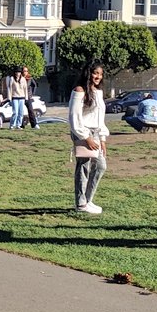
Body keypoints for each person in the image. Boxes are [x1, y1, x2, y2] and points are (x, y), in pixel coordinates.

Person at [68, 60, 109, 215]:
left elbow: (100, 118)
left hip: (96, 133)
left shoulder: (98, 92)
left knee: (100, 165)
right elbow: (74, 117)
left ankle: (87, 199)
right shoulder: (79, 90)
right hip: (83, 132)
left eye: (100, 74)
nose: (98, 76)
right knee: (83, 167)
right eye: (95, 73)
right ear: (88, 73)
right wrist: (86, 137)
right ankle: (81, 203)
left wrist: (102, 138)